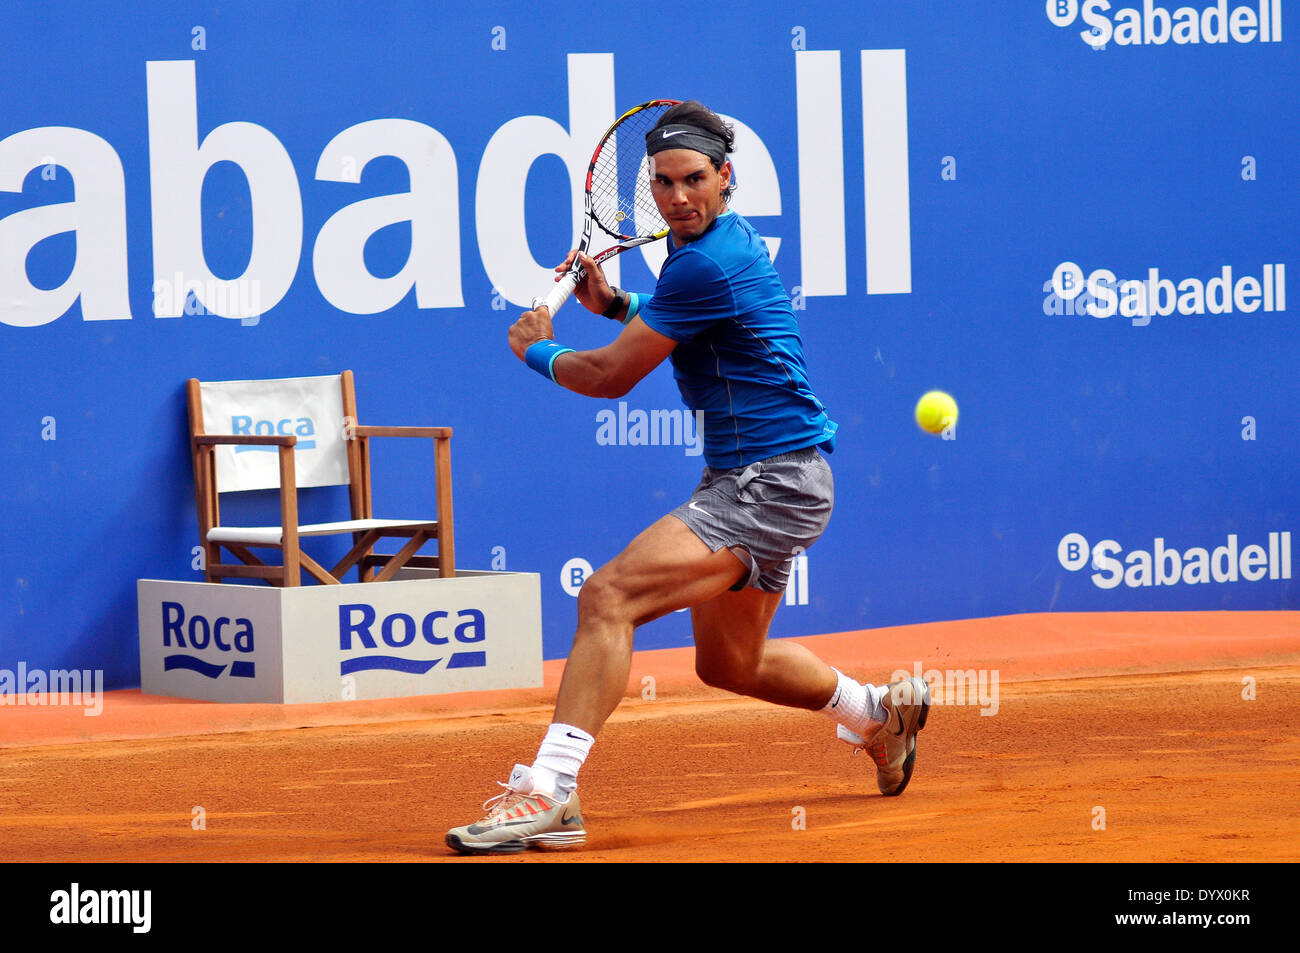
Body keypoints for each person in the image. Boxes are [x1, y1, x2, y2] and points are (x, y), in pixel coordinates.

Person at [445, 101, 930, 855]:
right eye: (664, 184)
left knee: (607, 595)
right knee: (729, 662)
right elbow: (689, 317)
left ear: (725, 176)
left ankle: (548, 791)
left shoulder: (708, 258)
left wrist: (537, 349)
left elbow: (610, 376)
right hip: (774, 478)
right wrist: (615, 304)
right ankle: (877, 716)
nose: (679, 197)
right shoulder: (702, 252)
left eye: (695, 180)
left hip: (768, 482)